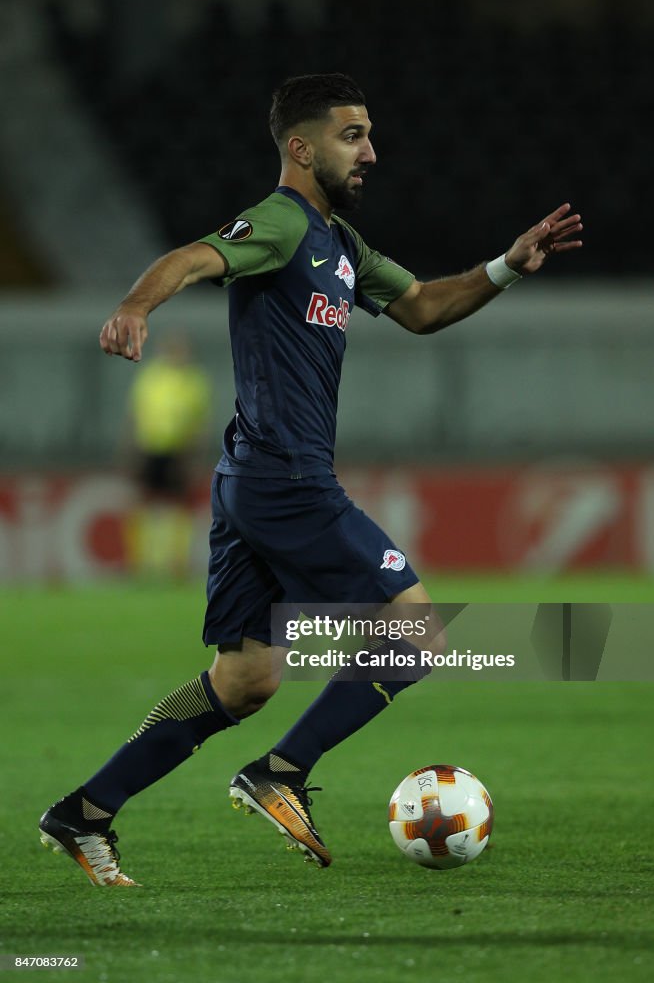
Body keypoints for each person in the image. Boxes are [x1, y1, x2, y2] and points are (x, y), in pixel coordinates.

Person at [39, 73, 582, 886]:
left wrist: (505, 265)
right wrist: (136, 305)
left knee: (245, 679)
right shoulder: (283, 223)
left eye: (368, 135)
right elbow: (193, 256)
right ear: (301, 148)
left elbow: (424, 307)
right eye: (352, 136)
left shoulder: (341, 246)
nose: (371, 152)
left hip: (251, 479)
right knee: (416, 630)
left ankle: (84, 812)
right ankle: (280, 773)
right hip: (285, 478)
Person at [124, 330, 211, 578]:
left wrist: (195, 457)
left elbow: (200, 422)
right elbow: (134, 416)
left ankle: (176, 562)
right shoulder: (151, 377)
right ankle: (141, 562)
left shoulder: (194, 380)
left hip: (179, 450)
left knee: (179, 505)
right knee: (142, 504)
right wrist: (130, 450)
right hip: (149, 447)